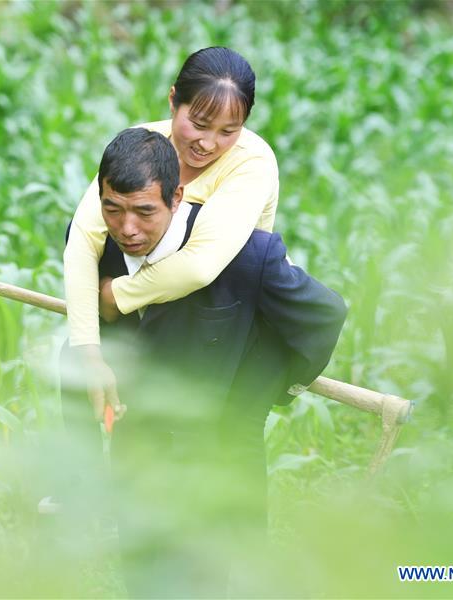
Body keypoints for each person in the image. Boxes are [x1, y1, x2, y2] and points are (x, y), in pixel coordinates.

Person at [59, 127, 347, 598]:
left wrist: (260, 397)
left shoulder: (245, 254)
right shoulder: (95, 249)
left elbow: (322, 317)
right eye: (113, 208)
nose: (127, 227)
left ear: (176, 197)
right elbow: (87, 344)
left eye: (144, 212)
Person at [64, 47, 280, 422]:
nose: (208, 143)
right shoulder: (143, 145)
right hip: (151, 318)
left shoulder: (252, 163)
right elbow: (83, 236)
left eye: (228, 131)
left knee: (220, 442)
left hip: (218, 322)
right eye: (198, 123)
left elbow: (200, 266)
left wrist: (117, 295)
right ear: (172, 101)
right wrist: (89, 351)